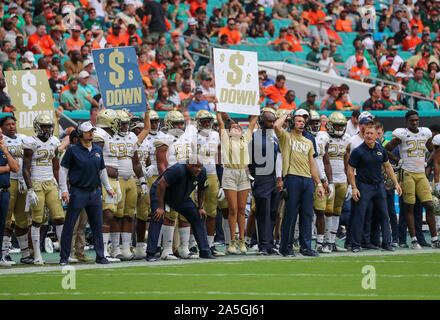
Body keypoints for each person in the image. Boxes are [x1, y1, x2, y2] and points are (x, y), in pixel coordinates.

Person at [59, 121, 116, 266]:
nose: (91, 133)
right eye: (88, 131)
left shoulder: (97, 150)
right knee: (70, 225)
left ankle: (100, 255)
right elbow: (63, 169)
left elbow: (102, 170)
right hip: (78, 191)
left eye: (92, 131)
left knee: (97, 225)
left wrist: (108, 187)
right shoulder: (72, 150)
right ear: (81, 134)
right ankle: (64, 257)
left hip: (95, 192)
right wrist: (64, 190)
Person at [385, 110, 440, 249]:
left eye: (416, 120)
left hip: (421, 173)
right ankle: (414, 239)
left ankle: (434, 239)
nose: (415, 122)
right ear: (406, 121)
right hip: (407, 172)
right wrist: (398, 160)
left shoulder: (425, 132)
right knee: (409, 206)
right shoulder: (402, 134)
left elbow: (432, 149)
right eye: (412, 120)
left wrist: (427, 161)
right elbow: (386, 149)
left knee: (429, 205)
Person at [274, 111, 325, 257]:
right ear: (291, 123)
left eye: (303, 121)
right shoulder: (285, 137)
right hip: (292, 178)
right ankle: (286, 248)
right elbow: (277, 126)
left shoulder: (308, 141)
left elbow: (312, 164)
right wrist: (285, 114)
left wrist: (319, 183)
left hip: (307, 180)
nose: (301, 123)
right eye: (298, 121)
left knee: (307, 215)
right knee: (290, 215)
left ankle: (306, 247)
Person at [146, 155, 215, 261]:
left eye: (200, 166)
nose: (199, 169)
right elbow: (160, 185)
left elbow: (202, 189)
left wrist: (200, 207)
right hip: (161, 193)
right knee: (157, 216)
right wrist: (160, 207)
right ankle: (150, 253)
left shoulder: (202, 172)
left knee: (198, 216)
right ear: (188, 164)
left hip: (180, 196)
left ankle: (205, 251)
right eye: (196, 166)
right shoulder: (178, 169)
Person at [347, 122, 402, 252]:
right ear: (363, 134)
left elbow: (388, 166)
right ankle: (356, 245)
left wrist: (396, 183)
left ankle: (387, 244)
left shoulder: (380, 149)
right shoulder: (358, 151)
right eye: (367, 133)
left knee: (384, 214)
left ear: (376, 135)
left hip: (378, 186)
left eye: (372, 133)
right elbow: (350, 170)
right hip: (364, 186)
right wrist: (354, 187)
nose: (369, 136)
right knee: (360, 215)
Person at [22, 115, 65, 265]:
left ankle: (63, 254)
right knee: (37, 220)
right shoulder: (31, 142)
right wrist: (30, 189)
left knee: (59, 217)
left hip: (50, 183)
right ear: (38, 127)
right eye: (44, 126)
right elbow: (25, 168)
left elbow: (56, 166)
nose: (47, 129)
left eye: (49, 126)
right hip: (36, 183)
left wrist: (60, 186)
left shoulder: (54, 141)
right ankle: (37, 254)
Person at [217, 110, 258, 254]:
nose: (238, 128)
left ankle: (242, 240)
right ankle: (232, 242)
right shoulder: (226, 139)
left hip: (243, 174)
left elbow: (253, 122)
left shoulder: (245, 139)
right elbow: (221, 123)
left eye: (239, 127)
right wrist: (218, 112)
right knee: (233, 209)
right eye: (234, 127)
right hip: (229, 173)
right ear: (229, 131)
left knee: (241, 209)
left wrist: (255, 108)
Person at [110, 110, 148, 261]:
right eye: (122, 123)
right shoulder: (110, 137)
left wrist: (142, 180)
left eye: (127, 124)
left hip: (131, 179)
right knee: (116, 215)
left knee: (129, 215)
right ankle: (114, 248)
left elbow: (136, 161)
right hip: (117, 179)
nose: (125, 127)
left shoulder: (132, 137)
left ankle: (126, 248)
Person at [249, 107, 282, 255]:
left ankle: (270, 243)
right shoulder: (254, 137)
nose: (272, 123)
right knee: (263, 212)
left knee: (273, 212)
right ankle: (262, 244)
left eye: (273, 121)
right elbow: (248, 158)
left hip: (274, 177)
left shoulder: (274, 136)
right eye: (269, 121)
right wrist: (252, 176)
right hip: (261, 176)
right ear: (262, 122)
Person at [191, 111, 224, 256]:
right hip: (195, 174)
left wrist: (221, 182)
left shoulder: (215, 135)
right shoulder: (192, 136)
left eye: (208, 121)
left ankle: (210, 245)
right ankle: (191, 244)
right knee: (192, 211)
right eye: (203, 121)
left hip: (211, 174)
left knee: (211, 212)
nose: (206, 124)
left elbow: (219, 159)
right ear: (197, 122)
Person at [93, 109, 123, 262]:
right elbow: (95, 158)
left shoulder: (110, 135)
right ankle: (102, 251)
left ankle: (105, 249)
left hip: (113, 180)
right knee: (107, 214)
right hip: (105, 180)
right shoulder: (99, 134)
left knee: (111, 214)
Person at [1, 116, 31, 264]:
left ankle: (25, 254)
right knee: (6, 220)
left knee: (23, 219)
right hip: (9, 180)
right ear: (2, 127)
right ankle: (4, 253)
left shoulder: (23, 138)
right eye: (8, 125)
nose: (12, 127)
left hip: (22, 181)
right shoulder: (2, 140)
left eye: (13, 124)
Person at [0, 126, 19, 267]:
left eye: (1, 133)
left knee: (2, 225)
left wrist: (6, 151)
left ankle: (0, 256)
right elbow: (9, 168)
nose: (1, 136)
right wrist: (6, 168)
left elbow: (16, 167)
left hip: (5, 191)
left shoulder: (3, 149)